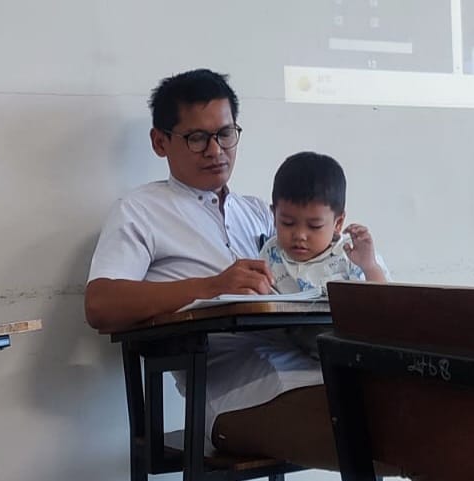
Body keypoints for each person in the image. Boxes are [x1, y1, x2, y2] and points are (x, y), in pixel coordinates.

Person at [85, 68, 402, 474]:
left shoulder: (264, 214)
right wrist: (212, 286)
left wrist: (363, 267)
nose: (215, 150)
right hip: (235, 394)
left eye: (225, 134)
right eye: (197, 138)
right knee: (395, 433)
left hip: (314, 370)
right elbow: (100, 305)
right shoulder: (141, 211)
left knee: (435, 409)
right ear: (160, 142)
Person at [260, 151, 390, 358]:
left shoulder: (351, 254)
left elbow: (386, 304)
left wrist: (369, 266)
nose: (300, 235)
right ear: (273, 214)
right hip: (295, 352)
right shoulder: (271, 252)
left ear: (338, 223)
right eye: (287, 223)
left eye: (314, 226)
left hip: (356, 349)